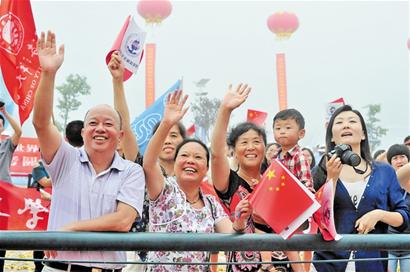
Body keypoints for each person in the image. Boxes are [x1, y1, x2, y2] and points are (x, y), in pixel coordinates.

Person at [33, 30, 145, 271]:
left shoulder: (131, 171)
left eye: (108, 124)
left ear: (120, 137)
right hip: (60, 267)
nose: (100, 129)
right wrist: (48, 73)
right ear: (83, 133)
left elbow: (123, 220)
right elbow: (41, 123)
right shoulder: (65, 159)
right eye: (93, 123)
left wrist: (72, 228)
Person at [143, 90, 251, 272]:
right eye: (184, 155)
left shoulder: (210, 203)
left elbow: (230, 234)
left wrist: (240, 222)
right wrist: (167, 123)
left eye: (198, 157)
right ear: (175, 163)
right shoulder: (164, 189)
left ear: (205, 169)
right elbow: (148, 163)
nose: (190, 161)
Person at [312, 105, 410, 272]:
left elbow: (404, 217)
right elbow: (319, 218)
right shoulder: (320, 170)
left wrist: (378, 214)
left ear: (364, 134)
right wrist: (332, 180)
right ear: (332, 137)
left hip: (372, 264)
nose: (346, 125)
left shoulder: (384, 172)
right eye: (339, 122)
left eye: (352, 121)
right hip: (328, 265)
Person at [211, 84, 270, 272]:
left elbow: (299, 225)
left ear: (265, 148)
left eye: (256, 142)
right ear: (234, 151)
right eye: (244, 142)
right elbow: (217, 155)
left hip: (284, 265)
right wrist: (225, 110)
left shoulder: (276, 184)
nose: (251, 147)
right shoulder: (229, 183)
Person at [0, 104, 22, 272]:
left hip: (3, 194)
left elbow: (19, 132)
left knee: (2, 231)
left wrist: (5, 113)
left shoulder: (6, 146)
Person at [386, 144, 410, 272]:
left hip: (408, 245)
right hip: (388, 245)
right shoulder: (385, 182)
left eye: (403, 157)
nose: (400, 161)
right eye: (395, 158)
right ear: (390, 162)